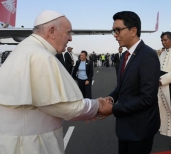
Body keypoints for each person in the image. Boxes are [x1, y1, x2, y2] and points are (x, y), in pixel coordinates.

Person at [0, 10, 102, 154]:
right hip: (29, 144)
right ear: (52, 31)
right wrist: (97, 106)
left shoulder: (26, 49)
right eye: (68, 32)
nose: (70, 38)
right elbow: (65, 106)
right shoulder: (40, 56)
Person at [98, 11, 161, 154]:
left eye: (118, 30)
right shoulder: (126, 55)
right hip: (125, 127)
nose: (115, 34)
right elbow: (122, 86)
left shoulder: (148, 56)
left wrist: (113, 109)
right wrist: (111, 98)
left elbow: (147, 98)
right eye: (113, 31)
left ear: (133, 31)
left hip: (140, 130)